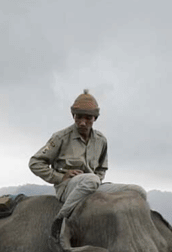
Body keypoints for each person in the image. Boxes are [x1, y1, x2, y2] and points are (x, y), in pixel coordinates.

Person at [29, 89, 143, 229]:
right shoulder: (60, 137)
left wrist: (98, 179)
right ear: (73, 116)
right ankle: (60, 220)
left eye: (88, 118)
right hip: (68, 188)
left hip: (93, 186)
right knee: (91, 179)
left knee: (138, 191)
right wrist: (60, 177)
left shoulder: (101, 140)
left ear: (95, 118)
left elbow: (102, 168)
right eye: (79, 117)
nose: (83, 122)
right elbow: (35, 163)